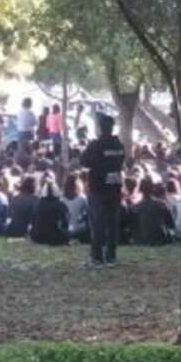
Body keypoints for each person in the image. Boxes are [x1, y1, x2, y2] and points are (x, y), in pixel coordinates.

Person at [80, 113, 126, 268]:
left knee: (97, 223)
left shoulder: (96, 145)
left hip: (98, 189)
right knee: (112, 224)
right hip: (115, 188)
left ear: (100, 128)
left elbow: (83, 161)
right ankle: (111, 256)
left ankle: (97, 257)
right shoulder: (119, 145)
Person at [131, 179, 176, 246]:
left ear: (140, 190)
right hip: (159, 239)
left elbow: (132, 227)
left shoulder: (135, 207)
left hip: (141, 239)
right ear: (152, 189)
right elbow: (171, 224)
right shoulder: (161, 205)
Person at [61, 174, 90, 243]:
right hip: (78, 228)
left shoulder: (61, 199)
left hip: (64, 230)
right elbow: (89, 214)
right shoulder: (82, 198)